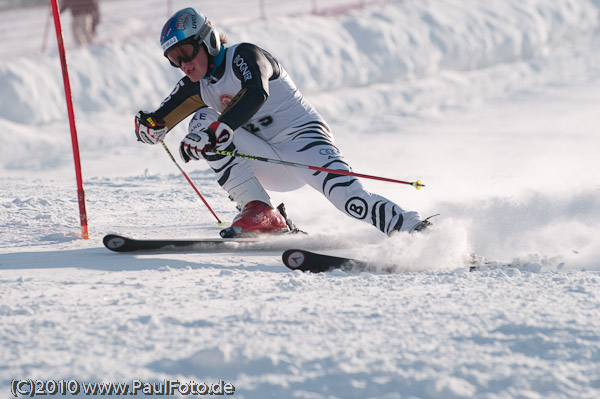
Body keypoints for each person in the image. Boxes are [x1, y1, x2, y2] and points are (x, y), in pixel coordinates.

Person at [135, 8, 429, 238]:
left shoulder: (245, 55)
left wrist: (214, 133)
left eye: (185, 52)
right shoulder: (196, 83)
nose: (183, 64)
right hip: (265, 160)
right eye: (173, 58)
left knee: (351, 201)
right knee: (201, 120)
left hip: (304, 143)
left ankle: (414, 230)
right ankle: (261, 210)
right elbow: (160, 119)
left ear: (208, 41)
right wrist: (149, 127)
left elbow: (255, 93)